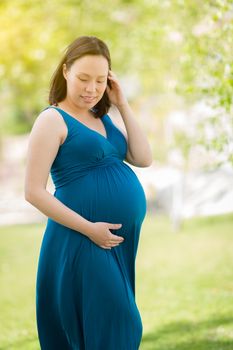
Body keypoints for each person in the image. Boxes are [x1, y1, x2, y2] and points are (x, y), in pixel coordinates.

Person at [24, 35, 153, 350]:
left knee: (109, 327)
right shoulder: (51, 120)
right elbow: (33, 192)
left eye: (99, 80)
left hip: (114, 243)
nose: (91, 88)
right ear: (66, 71)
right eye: (83, 78)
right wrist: (89, 229)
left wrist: (121, 103)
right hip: (81, 239)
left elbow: (143, 157)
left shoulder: (101, 117)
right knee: (119, 322)